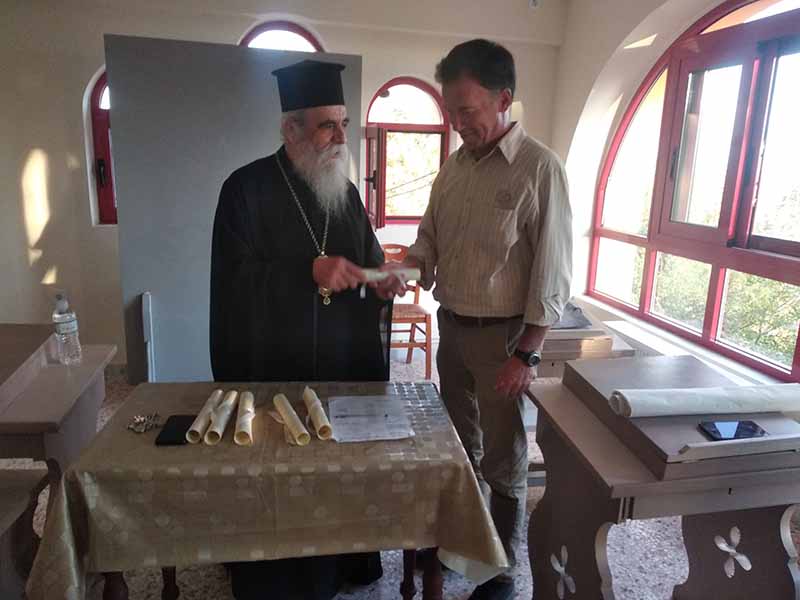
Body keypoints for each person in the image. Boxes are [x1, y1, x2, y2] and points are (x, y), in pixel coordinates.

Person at [210, 59, 405, 600]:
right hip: (273, 364)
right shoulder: (244, 190)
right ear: (291, 129)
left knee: (338, 471)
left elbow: (366, 260)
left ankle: (340, 563)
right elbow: (232, 282)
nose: (341, 138)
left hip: (340, 365)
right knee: (276, 475)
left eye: (344, 124)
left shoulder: (345, 193)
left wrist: (380, 281)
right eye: (327, 126)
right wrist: (307, 272)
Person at [389, 40, 573, 600]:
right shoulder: (453, 169)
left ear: (503, 99)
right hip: (453, 329)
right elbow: (428, 240)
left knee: (503, 456)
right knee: (457, 445)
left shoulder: (540, 168)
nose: (457, 122)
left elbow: (553, 271)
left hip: (504, 339)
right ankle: (463, 547)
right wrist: (401, 270)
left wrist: (527, 353)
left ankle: (502, 570)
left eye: (466, 110)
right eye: (451, 110)